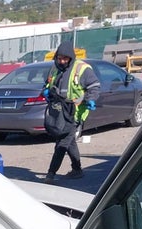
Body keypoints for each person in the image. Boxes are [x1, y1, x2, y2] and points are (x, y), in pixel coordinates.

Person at [40, 41, 100, 182]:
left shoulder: (82, 69)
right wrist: (46, 91)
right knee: (69, 141)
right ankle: (77, 170)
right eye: (59, 58)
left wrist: (91, 99)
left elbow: (94, 86)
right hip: (59, 112)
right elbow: (47, 84)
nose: (62, 61)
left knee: (62, 142)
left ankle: (51, 174)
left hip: (75, 113)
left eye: (65, 59)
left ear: (71, 58)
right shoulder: (54, 69)